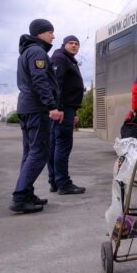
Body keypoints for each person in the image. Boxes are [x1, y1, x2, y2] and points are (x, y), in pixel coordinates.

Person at [10, 18, 63, 214]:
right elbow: (39, 79)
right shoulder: (37, 52)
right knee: (39, 152)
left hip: (26, 108)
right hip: (36, 108)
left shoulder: (26, 52)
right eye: (50, 32)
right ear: (39, 33)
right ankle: (20, 197)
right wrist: (51, 106)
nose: (53, 36)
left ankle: (27, 192)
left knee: (30, 152)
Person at [47, 35, 86, 195]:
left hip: (67, 108)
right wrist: (60, 108)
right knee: (62, 144)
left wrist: (73, 111)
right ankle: (63, 183)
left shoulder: (67, 59)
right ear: (64, 45)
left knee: (56, 145)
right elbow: (57, 85)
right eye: (71, 43)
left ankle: (55, 182)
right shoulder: (60, 58)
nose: (74, 45)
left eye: (77, 44)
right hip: (62, 109)